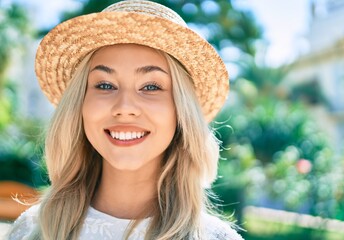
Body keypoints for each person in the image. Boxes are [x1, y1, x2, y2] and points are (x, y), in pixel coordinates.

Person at [8, 0, 243, 239]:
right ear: (80, 104)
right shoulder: (31, 230)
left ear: (180, 111)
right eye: (105, 85)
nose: (125, 108)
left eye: (151, 86)